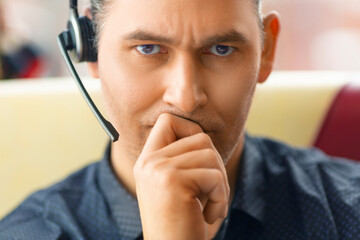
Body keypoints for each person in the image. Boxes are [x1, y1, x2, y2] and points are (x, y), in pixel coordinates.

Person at [0, 0, 359, 239]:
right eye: (148, 48)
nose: (186, 97)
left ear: (266, 51)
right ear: (92, 52)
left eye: (221, 49)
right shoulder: (28, 233)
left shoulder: (349, 210)